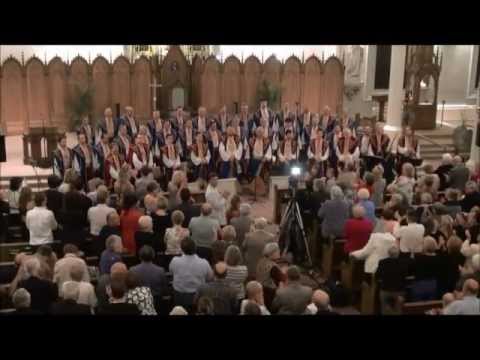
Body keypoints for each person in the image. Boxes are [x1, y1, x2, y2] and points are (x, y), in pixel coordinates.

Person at [169, 237, 213, 313]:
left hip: (180, 296)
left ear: (182, 249)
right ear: (195, 248)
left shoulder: (175, 261)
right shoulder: (204, 263)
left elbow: (171, 272)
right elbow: (210, 278)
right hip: (195, 296)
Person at [376, 246, 410, 315]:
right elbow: (405, 275)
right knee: (399, 311)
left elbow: (378, 276)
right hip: (399, 291)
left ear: (388, 253)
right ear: (398, 254)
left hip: (385, 290)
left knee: (385, 310)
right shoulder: (403, 263)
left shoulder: (382, 262)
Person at [256, 242, 286, 310]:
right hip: (270, 294)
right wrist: (283, 272)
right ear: (272, 253)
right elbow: (284, 279)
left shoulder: (261, 261)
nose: (279, 251)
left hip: (260, 290)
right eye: (277, 250)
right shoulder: (273, 267)